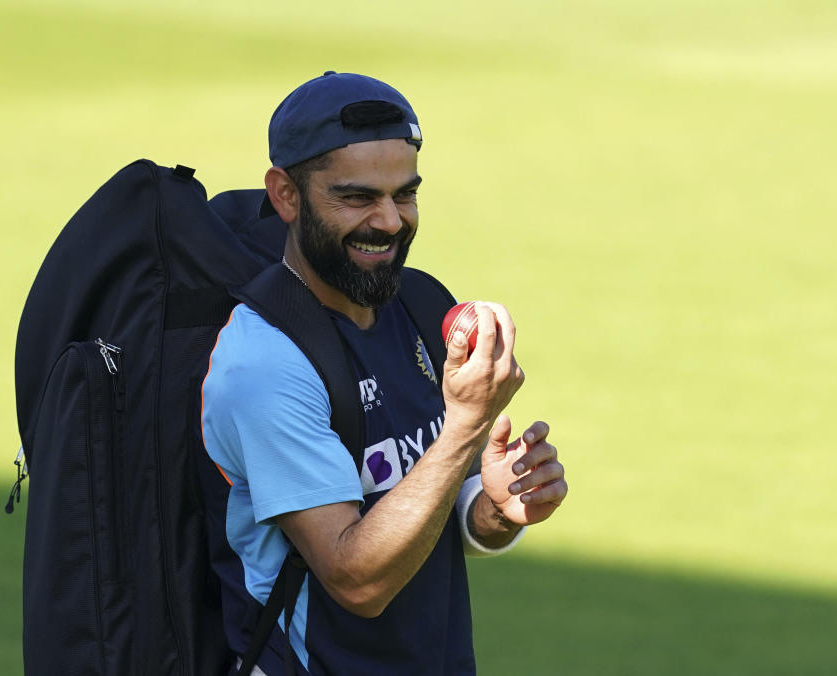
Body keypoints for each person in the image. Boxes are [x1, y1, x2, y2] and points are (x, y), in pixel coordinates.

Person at [200, 71, 568, 675]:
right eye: (357, 197)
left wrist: (492, 511)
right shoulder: (263, 362)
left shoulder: (423, 306)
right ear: (285, 195)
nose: (391, 221)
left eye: (405, 194)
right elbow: (355, 580)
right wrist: (466, 429)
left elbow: (431, 502)